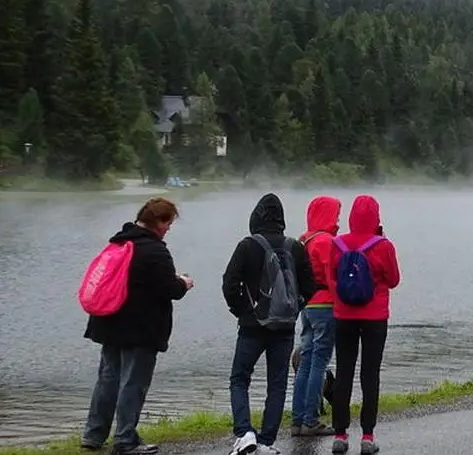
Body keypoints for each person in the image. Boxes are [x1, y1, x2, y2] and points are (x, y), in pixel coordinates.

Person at [81, 197, 194, 455]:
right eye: (169, 223)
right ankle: (125, 440)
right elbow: (169, 289)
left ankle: (93, 435)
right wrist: (184, 282)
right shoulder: (155, 250)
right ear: (159, 222)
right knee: (133, 383)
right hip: (140, 329)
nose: (169, 229)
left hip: (109, 323)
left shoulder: (119, 241)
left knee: (107, 380)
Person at [222, 193, 316, 455]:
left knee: (240, 378)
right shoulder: (295, 246)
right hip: (284, 327)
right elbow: (310, 285)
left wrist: (242, 310)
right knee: (277, 384)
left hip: (252, 326)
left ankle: (244, 433)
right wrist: (294, 308)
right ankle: (266, 441)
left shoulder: (247, 245)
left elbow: (229, 283)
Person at [328, 195, 401, 455]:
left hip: (344, 316)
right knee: (370, 375)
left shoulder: (336, 244)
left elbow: (331, 279)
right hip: (375, 317)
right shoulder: (383, 245)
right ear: (376, 217)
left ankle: (340, 434)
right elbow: (393, 280)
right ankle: (368, 436)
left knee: (344, 372)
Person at [290, 195, 342, 437]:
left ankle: (297, 420)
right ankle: (311, 419)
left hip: (307, 306)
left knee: (306, 362)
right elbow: (333, 277)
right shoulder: (327, 242)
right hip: (325, 305)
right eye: (336, 213)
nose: (338, 218)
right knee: (319, 363)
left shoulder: (304, 240)